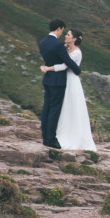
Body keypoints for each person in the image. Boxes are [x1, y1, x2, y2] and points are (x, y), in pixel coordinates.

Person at [41, 29, 96, 152]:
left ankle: (71, 136)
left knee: (70, 106)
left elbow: (64, 66)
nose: (66, 36)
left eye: (68, 35)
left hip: (71, 81)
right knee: (63, 107)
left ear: (74, 39)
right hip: (63, 79)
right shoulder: (66, 49)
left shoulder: (76, 53)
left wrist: (47, 68)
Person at [39, 19, 81, 149]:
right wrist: (77, 70)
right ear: (59, 28)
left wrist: (46, 67)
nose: (63, 33)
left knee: (46, 107)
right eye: (63, 30)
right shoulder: (58, 45)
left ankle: (45, 135)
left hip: (47, 79)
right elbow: (67, 62)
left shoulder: (42, 43)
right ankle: (50, 138)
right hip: (58, 81)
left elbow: (49, 59)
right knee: (54, 110)